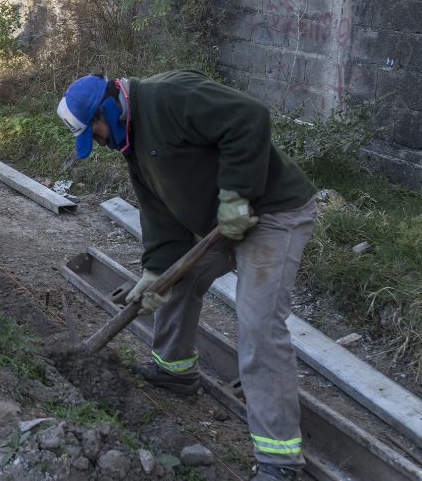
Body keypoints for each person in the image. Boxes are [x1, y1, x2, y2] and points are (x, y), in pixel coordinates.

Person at [57, 70, 317, 481]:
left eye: (98, 133)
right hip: (223, 220)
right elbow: (159, 214)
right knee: (175, 281)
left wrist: (236, 194)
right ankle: (174, 370)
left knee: (259, 326)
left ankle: (280, 463)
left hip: (271, 215)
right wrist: (156, 269)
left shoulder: (169, 97)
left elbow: (249, 117)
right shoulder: (133, 142)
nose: (102, 143)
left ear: (107, 109)